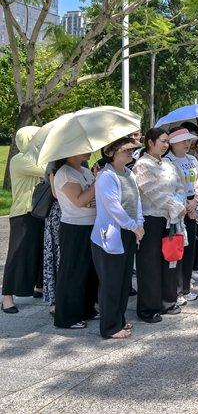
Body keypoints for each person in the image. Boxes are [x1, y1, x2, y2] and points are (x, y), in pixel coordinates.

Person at [132, 128, 187, 323]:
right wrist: (175, 206)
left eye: (167, 142)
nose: (165, 145)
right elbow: (151, 192)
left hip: (170, 218)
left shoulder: (168, 164)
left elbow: (180, 186)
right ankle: (149, 308)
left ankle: (167, 301)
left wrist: (179, 203)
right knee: (150, 264)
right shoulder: (142, 165)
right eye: (162, 141)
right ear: (150, 142)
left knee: (169, 260)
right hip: (152, 219)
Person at [91, 137, 144, 339]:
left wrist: (139, 224)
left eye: (132, 150)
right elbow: (114, 208)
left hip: (130, 232)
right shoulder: (106, 176)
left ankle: (119, 319)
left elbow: (136, 201)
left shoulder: (129, 173)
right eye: (126, 150)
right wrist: (133, 226)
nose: (131, 153)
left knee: (123, 282)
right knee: (111, 282)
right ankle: (110, 327)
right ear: (111, 152)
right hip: (110, 235)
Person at [52, 151, 99, 329]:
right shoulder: (64, 173)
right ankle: (68, 316)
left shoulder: (84, 171)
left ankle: (87, 308)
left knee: (90, 271)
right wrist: (96, 185)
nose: (88, 151)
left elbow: (91, 199)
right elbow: (79, 201)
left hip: (90, 224)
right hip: (74, 227)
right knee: (73, 271)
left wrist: (91, 194)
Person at [2, 127, 47, 314]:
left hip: (38, 211)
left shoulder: (36, 158)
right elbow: (45, 170)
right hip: (22, 213)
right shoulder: (19, 160)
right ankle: (7, 298)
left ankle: (39, 286)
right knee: (17, 255)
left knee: (41, 250)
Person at [164, 128, 198, 304]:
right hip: (176, 210)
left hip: (192, 205)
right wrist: (183, 205)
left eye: (189, 141)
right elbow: (168, 187)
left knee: (190, 249)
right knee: (176, 249)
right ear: (173, 143)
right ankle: (176, 290)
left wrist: (195, 200)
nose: (187, 144)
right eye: (183, 141)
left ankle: (186, 287)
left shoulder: (192, 159)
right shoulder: (167, 161)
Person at [181, 121, 198, 278]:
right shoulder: (175, 157)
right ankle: (185, 272)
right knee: (185, 234)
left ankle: (192, 267)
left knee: (197, 231)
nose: (192, 139)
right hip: (184, 200)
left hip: (197, 196)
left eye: (194, 135)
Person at [42, 161, 61, 310]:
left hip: (68, 213)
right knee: (56, 256)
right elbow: (56, 193)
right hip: (58, 215)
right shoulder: (54, 167)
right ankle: (55, 299)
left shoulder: (83, 165)